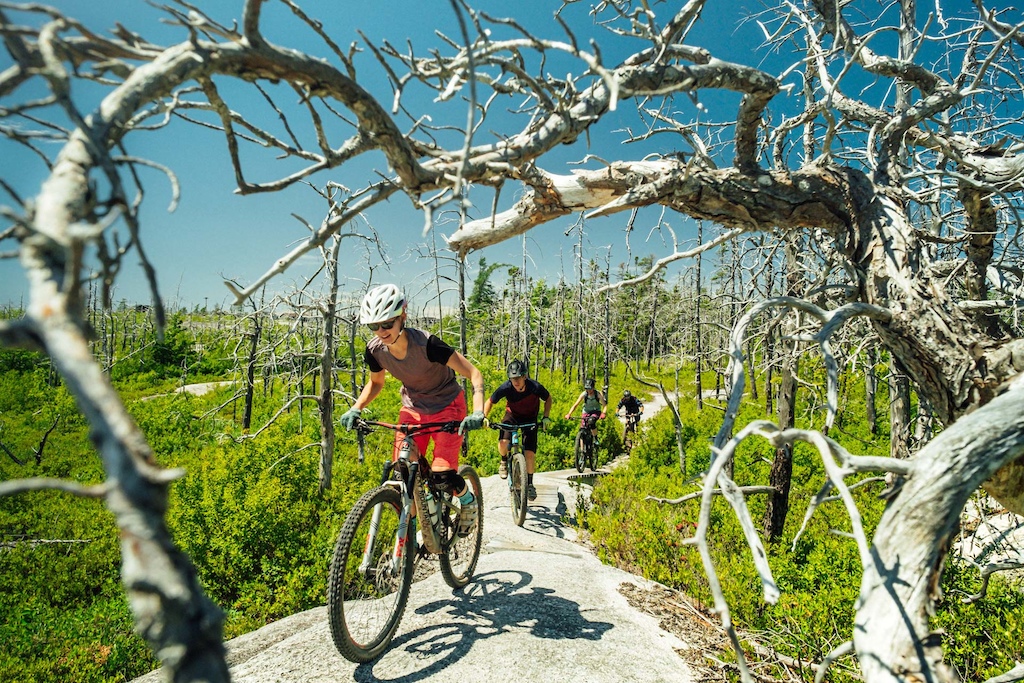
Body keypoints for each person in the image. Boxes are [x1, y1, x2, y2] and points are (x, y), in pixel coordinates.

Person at [339, 284, 485, 536]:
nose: (381, 331)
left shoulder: (428, 345)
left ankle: (468, 501)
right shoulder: (375, 350)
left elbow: (473, 373)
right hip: (413, 408)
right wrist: (356, 407)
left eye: (387, 324)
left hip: (447, 406)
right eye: (374, 326)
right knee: (403, 471)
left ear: (402, 317)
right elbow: (376, 383)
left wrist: (479, 411)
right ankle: (415, 533)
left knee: (442, 477)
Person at [483, 359, 553, 501]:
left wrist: (546, 417)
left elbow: (548, 398)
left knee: (529, 453)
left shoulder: (534, 387)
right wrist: (484, 417)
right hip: (512, 416)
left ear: (524, 376)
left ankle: (530, 484)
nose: (515, 381)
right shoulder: (506, 387)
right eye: (512, 378)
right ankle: (503, 461)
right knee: (503, 442)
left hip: (530, 418)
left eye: (518, 378)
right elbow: (490, 401)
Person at [564, 377, 605, 445]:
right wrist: (569, 414)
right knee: (582, 428)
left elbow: (604, 405)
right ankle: (581, 448)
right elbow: (575, 405)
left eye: (590, 388)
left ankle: (595, 438)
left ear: (593, 387)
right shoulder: (584, 394)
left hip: (596, 411)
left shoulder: (597, 394)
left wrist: (603, 413)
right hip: (586, 411)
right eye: (586, 388)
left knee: (591, 421)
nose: (588, 390)